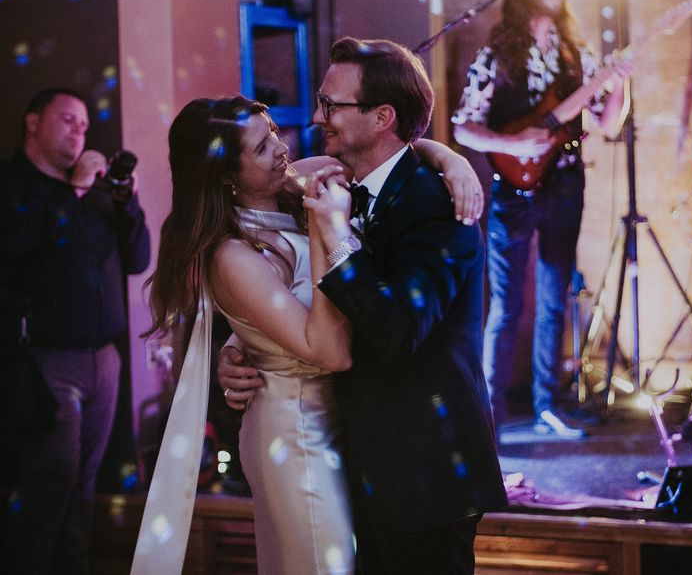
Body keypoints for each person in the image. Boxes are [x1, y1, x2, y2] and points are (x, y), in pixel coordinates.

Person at [133, 95, 488, 574]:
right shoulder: (231, 256)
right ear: (225, 175)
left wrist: (452, 160)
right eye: (261, 147)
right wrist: (329, 231)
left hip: (351, 428)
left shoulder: (295, 182)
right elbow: (332, 351)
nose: (281, 148)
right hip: (297, 435)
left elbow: (398, 151)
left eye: (275, 132)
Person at [222, 38, 506, 574]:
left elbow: (399, 332)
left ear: (381, 117)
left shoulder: (439, 205)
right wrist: (241, 347)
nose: (316, 116)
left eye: (332, 105)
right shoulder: (344, 184)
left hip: (424, 470)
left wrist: (337, 235)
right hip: (364, 463)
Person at [451, 0, 631, 438]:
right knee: (506, 304)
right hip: (511, 187)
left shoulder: (578, 53)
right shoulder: (497, 53)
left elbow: (607, 122)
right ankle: (488, 412)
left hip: (567, 182)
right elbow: (463, 125)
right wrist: (512, 144)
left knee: (554, 298)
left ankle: (547, 406)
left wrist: (623, 80)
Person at [0, 87, 150, 574]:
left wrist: (126, 202)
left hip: (104, 359)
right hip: (46, 360)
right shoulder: (15, 186)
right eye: (67, 120)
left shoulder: (91, 189)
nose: (78, 132)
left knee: (84, 484)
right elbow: (21, 242)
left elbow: (139, 257)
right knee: (51, 479)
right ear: (33, 122)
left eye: (83, 125)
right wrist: (77, 190)